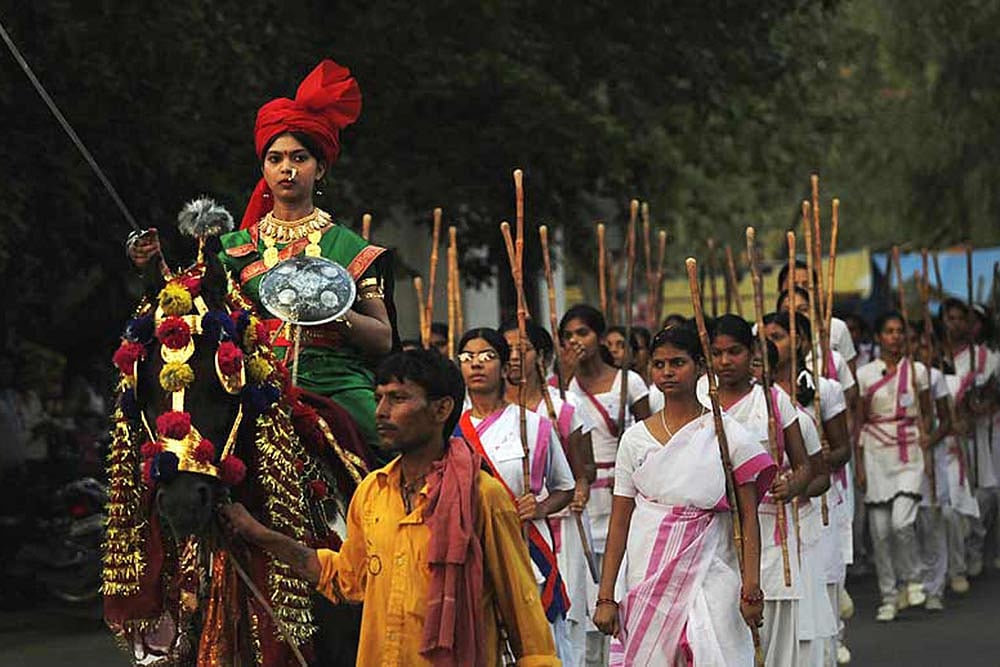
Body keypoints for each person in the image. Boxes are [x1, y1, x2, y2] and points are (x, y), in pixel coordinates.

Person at [221, 349, 559, 666]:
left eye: (398, 398)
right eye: (378, 398)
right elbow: (345, 579)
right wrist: (261, 535)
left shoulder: (484, 497)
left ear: (441, 409)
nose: (381, 412)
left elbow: (524, 615)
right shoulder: (371, 492)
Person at [128, 60, 395, 454]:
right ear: (265, 169)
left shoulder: (351, 248)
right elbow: (192, 307)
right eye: (276, 159)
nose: (287, 168)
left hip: (335, 383)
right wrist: (152, 266)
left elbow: (383, 339)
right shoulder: (231, 247)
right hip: (254, 384)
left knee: (389, 440)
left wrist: (331, 310)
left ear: (320, 169)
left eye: (299, 158)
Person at [592, 324, 776, 665]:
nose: (667, 372)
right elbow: (621, 522)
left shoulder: (726, 434)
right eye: (659, 364)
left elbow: (749, 517)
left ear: (700, 368)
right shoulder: (635, 440)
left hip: (713, 571)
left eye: (677, 363)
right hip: (647, 572)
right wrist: (606, 597)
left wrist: (752, 587)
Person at [456, 327, 576, 659]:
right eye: (467, 357)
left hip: (526, 548)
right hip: (471, 552)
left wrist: (538, 508)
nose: (476, 364)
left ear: (504, 365)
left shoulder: (533, 425)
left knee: (535, 642)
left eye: (487, 356)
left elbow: (565, 488)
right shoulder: (448, 432)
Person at [703, 314, 812, 667]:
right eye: (717, 353)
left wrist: (792, 484)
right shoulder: (701, 403)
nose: (725, 361)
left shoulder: (773, 401)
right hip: (715, 536)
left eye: (734, 352)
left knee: (775, 643)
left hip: (770, 533)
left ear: (751, 352)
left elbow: (805, 465)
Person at [557, 305, 650, 666]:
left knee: (622, 575)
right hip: (581, 495)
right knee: (582, 586)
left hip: (621, 491)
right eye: (568, 336)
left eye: (582, 333)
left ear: (599, 336)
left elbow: (653, 437)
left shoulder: (630, 382)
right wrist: (562, 378)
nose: (575, 342)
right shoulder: (562, 390)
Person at [500, 319, 596, 667]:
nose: (513, 357)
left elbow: (583, 470)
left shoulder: (562, 406)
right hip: (504, 528)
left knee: (560, 611)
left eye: (522, 349)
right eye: (506, 350)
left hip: (556, 526)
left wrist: (576, 491)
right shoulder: (476, 412)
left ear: (540, 356)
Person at [764, 312, 851, 665]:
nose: (771, 345)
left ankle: (829, 650)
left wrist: (803, 479)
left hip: (810, 510)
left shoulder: (821, 390)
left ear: (798, 340)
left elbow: (840, 449)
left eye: (779, 336)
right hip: (761, 525)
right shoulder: (744, 406)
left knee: (815, 601)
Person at [855, 312, 934, 622]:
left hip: (909, 450)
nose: (895, 337)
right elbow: (860, 420)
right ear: (879, 337)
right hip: (875, 452)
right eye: (889, 331)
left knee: (902, 522)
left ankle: (914, 578)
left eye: (900, 331)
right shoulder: (865, 374)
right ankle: (889, 594)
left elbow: (926, 413)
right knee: (881, 531)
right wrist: (859, 465)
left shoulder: (918, 372)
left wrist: (926, 434)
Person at [940, 297, 1000, 578]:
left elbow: (992, 396)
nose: (955, 324)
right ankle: (955, 556)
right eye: (949, 318)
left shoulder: (985, 357)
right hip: (947, 440)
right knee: (951, 502)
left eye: (959, 318)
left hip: (979, 436)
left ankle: (975, 545)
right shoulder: (935, 357)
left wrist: (980, 402)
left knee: (984, 495)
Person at [777, 260, 857, 376]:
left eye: (806, 285)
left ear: (816, 290)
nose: (800, 289)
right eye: (793, 285)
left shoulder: (836, 328)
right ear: (780, 290)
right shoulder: (764, 329)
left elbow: (850, 382)